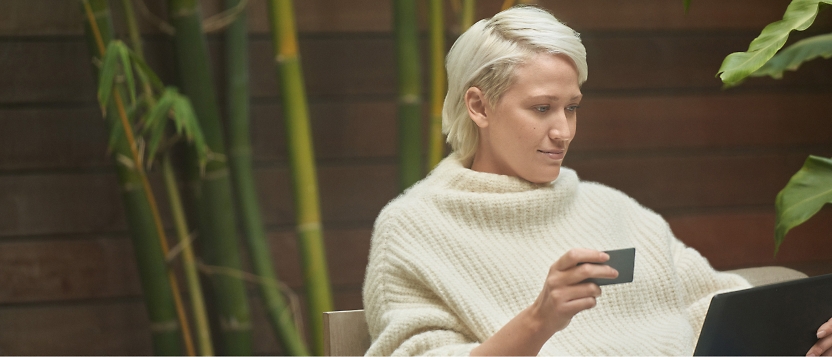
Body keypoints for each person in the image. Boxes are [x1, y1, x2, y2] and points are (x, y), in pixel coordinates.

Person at [362, 5, 832, 356]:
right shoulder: (412, 228)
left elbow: (711, 305)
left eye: (572, 108)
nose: (563, 131)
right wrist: (538, 322)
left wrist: (808, 329)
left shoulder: (613, 207)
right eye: (542, 108)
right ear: (479, 106)